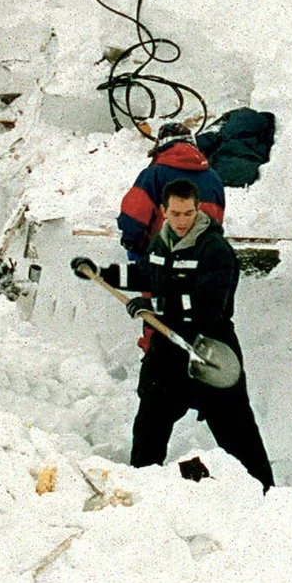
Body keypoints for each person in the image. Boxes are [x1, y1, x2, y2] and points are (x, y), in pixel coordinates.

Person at [91, 180, 274, 488]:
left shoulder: (215, 250)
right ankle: (143, 486)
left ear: (197, 209)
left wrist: (153, 304)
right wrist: (102, 272)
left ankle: (265, 492)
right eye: (175, 214)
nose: (181, 221)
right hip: (168, 347)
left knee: (236, 429)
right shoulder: (161, 242)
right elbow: (147, 274)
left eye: (188, 213)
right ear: (164, 211)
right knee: (150, 419)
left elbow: (207, 304)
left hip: (209, 347)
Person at [116, 126, 224, 258]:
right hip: (202, 253)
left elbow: (134, 215)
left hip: (162, 253)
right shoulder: (213, 177)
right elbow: (217, 220)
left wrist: (132, 243)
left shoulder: (153, 174)